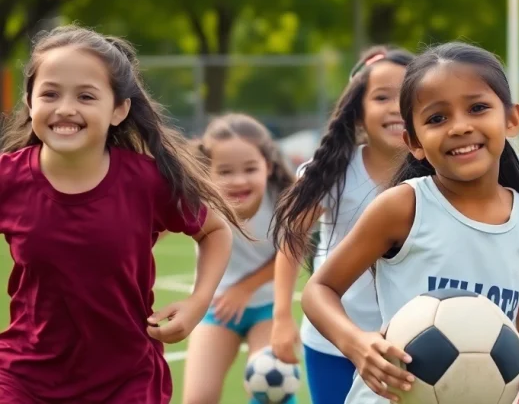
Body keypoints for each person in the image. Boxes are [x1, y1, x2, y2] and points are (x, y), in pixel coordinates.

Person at [301, 42, 519, 404]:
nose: (460, 127)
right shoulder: (404, 206)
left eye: (478, 108)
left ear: (512, 118)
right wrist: (356, 343)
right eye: (437, 118)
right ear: (414, 142)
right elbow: (319, 290)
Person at [0, 25, 239, 403]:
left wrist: (197, 304)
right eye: (49, 93)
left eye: (86, 96)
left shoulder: (146, 182)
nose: (65, 108)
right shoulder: (7, 178)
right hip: (23, 378)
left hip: (126, 382)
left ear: (118, 109)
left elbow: (215, 231)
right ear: (30, 103)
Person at [270, 46, 414, 403]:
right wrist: (281, 317)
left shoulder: (439, 177)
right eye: (382, 97)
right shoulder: (332, 172)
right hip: (333, 341)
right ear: (359, 114)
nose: (396, 107)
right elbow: (292, 240)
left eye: (406, 97)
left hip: (411, 344)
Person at [182, 114, 296, 404]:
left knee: (274, 390)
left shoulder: (284, 199)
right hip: (217, 308)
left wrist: (244, 289)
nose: (239, 180)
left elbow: (293, 250)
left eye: (250, 168)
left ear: (267, 167)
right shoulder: (198, 199)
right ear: (206, 172)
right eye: (225, 171)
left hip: (267, 308)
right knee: (198, 398)